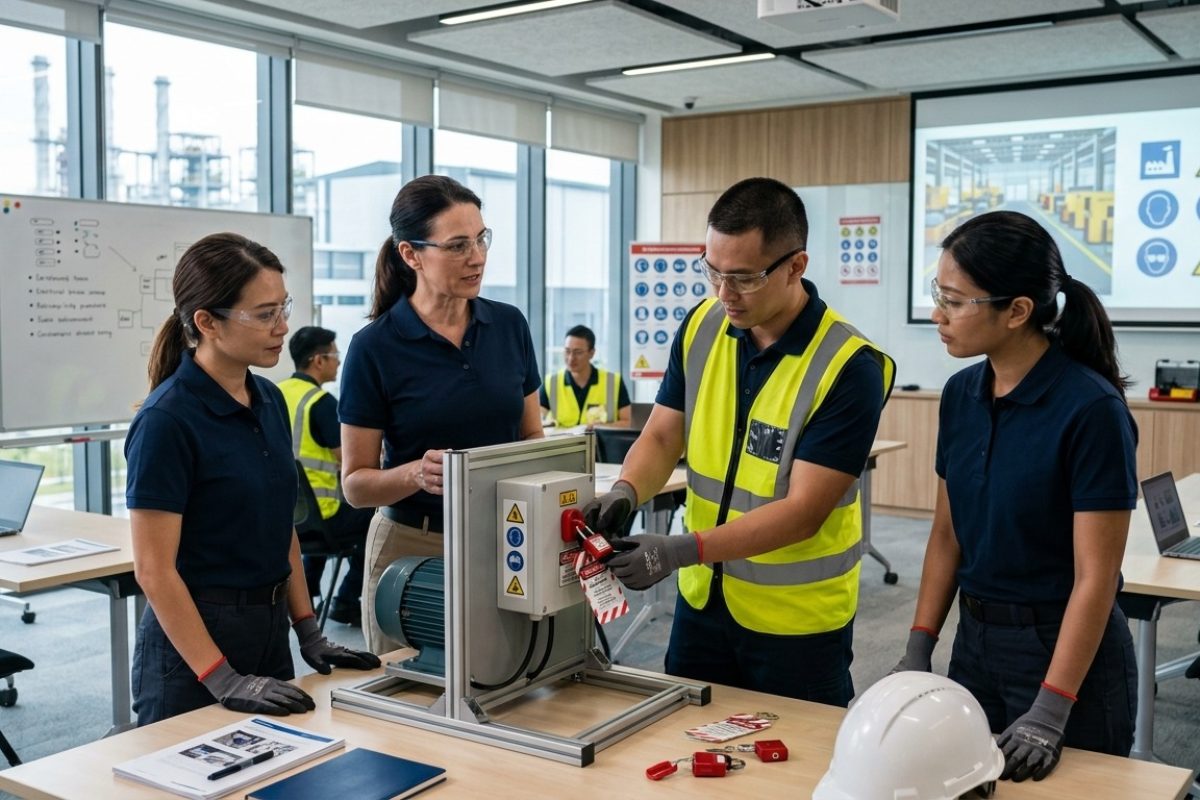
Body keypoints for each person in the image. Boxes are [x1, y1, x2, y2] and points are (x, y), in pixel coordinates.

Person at [585, 177, 895, 705]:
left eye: (744, 278)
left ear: (796, 266)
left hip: (796, 622)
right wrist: (626, 491)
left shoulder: (848, 366)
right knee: (686, 758)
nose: (724, 294)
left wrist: (681, 549)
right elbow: (663, 434)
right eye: (712, 272)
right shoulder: (703, 326)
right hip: (704, 603)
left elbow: (804, 512)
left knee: (793, 772)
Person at [890, 210, 1138, 782]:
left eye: (954, 301)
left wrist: (1052, 708)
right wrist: (918, 649)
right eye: (938, 295)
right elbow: (948, 535)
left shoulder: (1091, 411)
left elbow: (1094, 578)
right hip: (976, 642)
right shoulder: (960, 394)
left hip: (1064, 654)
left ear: (1017, 311)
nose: (937, 315)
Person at [126, 233, 379, 726]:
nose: (283, 327)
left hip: (268, 628)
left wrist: (307, 629)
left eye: (282, 308)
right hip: (195, 648)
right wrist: (220, 678)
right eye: (265, 315)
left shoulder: (267, 399)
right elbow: (154, 572)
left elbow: (276, 523)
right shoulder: (167, 420)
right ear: (206, 322)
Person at [338, 175, 544, 655]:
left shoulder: (509, 325)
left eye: (480, 239)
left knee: (504, 685)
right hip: (413, 547)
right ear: (410, 255)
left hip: (503, 540)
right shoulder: (374, 348)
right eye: (456, 246)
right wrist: (415, 473)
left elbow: (531, 435)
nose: (476, 257)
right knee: (407, 700)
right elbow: (355, 485)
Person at [278, 326, 374, 626]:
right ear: (318, 360)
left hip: (287, 518)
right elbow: (350, 460)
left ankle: (308, 596)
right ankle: (345, 601)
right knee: (379, 521)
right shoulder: (320, 403)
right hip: (325, 515)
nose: (339, 362)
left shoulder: (274, 393)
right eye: (335, 355)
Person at [540, 325, 631, 428]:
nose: (571, 358)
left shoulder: (613, 382)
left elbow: (626, 422)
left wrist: (603, 427)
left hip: (600, 443)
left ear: (592, 353)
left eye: (578, 352)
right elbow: (537, 420)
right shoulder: (552, 383)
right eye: (567, 351)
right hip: (562, 443)